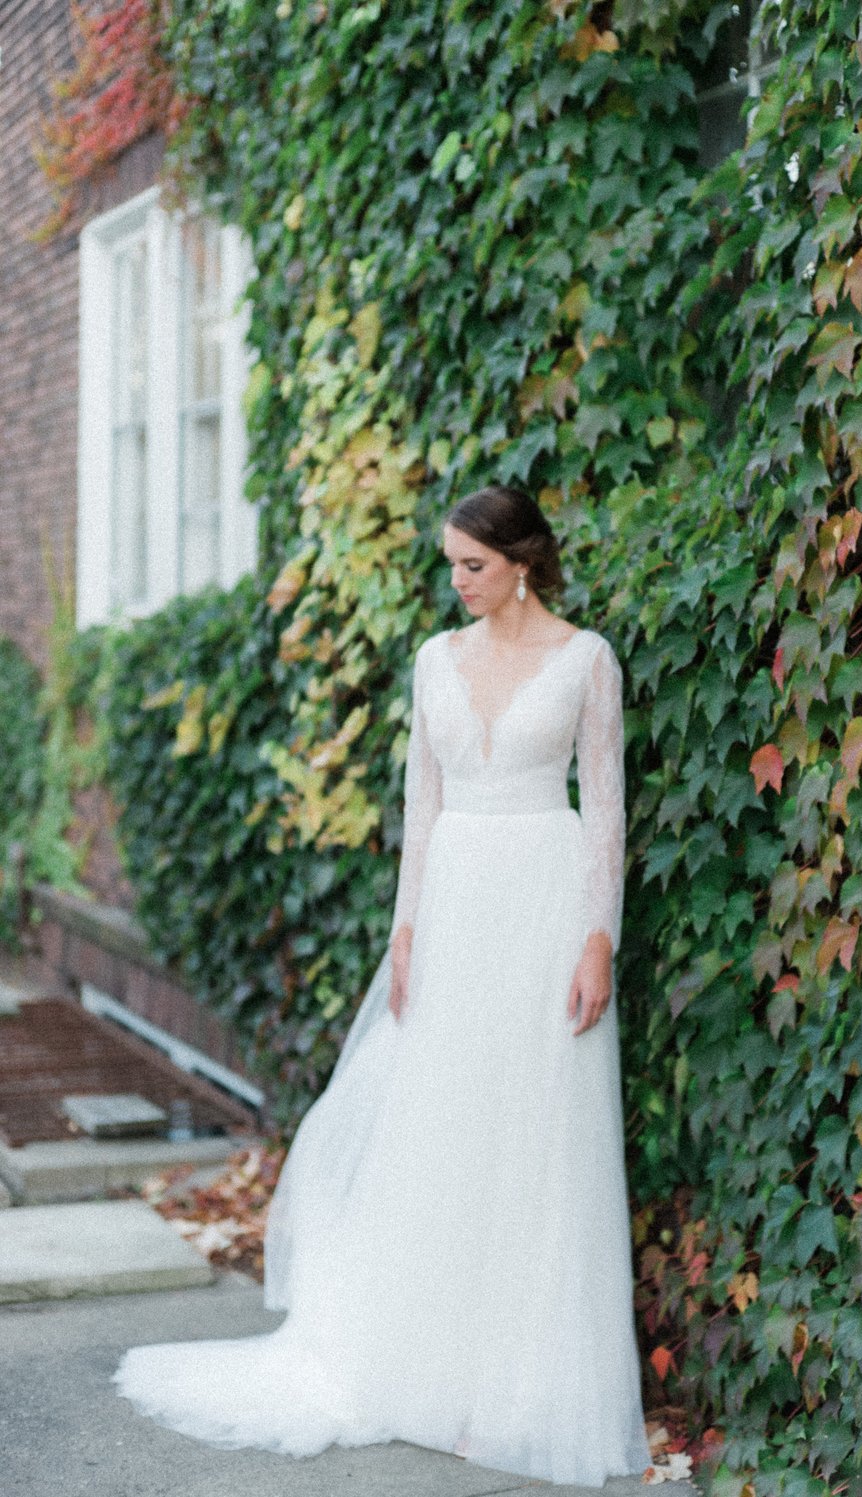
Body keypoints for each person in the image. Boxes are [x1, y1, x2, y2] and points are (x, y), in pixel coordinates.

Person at [113, 484, 651, 1489]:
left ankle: (516, 1387)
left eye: (472, 567)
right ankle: (431, 1367)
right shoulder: (432, 663)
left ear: (521, 563)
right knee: (446, 1125)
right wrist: (405, 931)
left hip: (544, 899)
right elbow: (423, 802)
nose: (455, 583)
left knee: (534, 1130)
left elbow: (606, 813)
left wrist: (597, 940)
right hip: (452, 907)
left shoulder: (587, 661)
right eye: (448, 564)